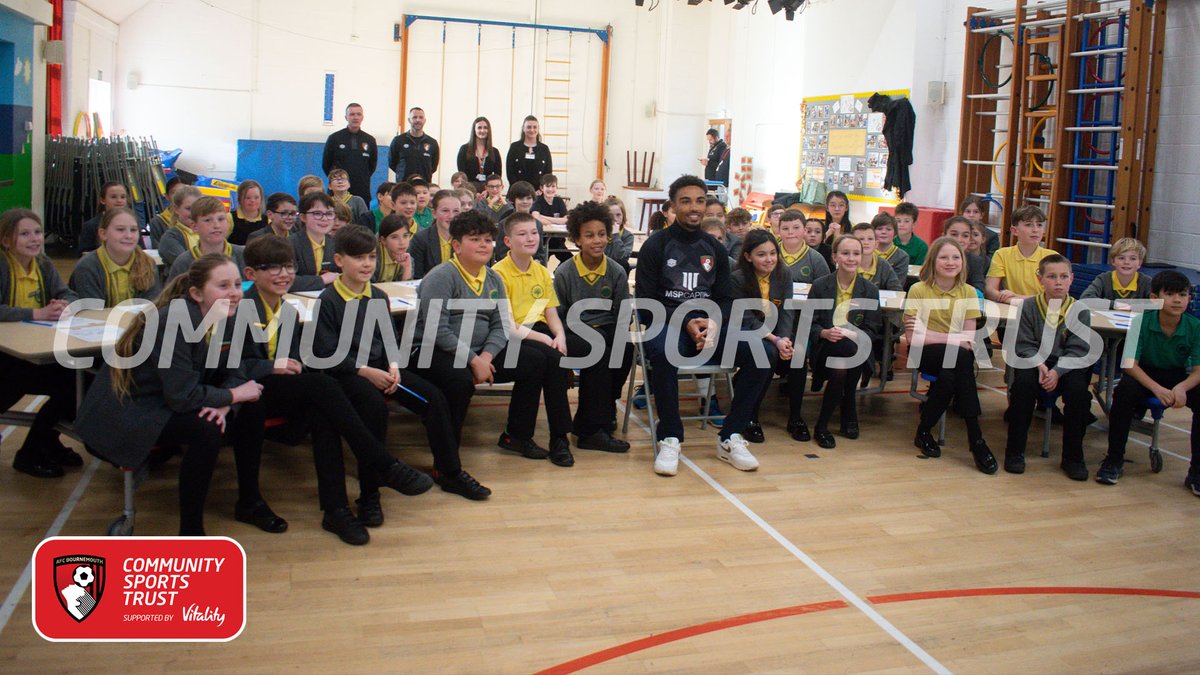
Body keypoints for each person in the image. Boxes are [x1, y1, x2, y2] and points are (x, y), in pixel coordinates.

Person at [237, 235, 435, 544]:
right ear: (250, 275)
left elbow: (300, 358)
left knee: (327, 410)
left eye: (288, 266)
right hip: (249, 392)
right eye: (272, 268)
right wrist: (270, 366)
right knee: (324, 385)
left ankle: (336, 510)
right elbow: (227, 367)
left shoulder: (288, 309)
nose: (283, 274)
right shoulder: (240, 309)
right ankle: (383, 464)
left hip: (284, 389)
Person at [74, 254, 281, 536]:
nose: (233, 292)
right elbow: (182, 397)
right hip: (134, 412)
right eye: (222, 285)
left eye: (236, 283)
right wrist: (231, 395)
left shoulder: (229, 314)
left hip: (170, 399)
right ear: (196, 293)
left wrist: (227, 401)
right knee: (205, 430)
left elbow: (238, 367)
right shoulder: (173, 321)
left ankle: (250, 501)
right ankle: (191, 532)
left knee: (253, 406)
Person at [313, 226, 490, 527]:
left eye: (371, 257)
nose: (367, 264)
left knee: (433, 399)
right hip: (351, 375)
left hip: (385, 371)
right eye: (358, 258)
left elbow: (391, 341)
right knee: (373, 409)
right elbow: (325, 353)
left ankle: (449, 471)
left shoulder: (378, 296)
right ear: (339, 261)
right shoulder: (328, 300)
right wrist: (365, 371)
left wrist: (394, 365)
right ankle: (370, 495)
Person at [634, 174, 773, 476]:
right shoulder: (655, 246)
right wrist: (686, 322)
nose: (694, 207)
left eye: (699, 200)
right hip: (669, 327)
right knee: (662, 352)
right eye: (685, 201)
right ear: (672, 206)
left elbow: (725, 299)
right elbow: (645, 304)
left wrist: (711, 322)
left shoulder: (714, 248)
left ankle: (730, 436)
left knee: (762, 353)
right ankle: (670, 436)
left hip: (710, 327)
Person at [411, 210, 572, 465]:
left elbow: (499, 326)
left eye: (487, 240)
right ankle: (447, 459)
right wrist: (475, 361)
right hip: (436, 351)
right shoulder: (441, 277)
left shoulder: (492, 278)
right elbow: (437, 331)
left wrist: (486, 356)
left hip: (481, 352)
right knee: (459, 380)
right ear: (456, 245)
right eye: (475, 239)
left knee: (537, 361)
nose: (483, 245)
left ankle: (517, 436)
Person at [1097, 271, 1200, 494]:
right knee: (1124, 392)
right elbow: (1129, 365)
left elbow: (1199, 371)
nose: (1177, 300)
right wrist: (1158, 389)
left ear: (1189, 298)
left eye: (1182, 294)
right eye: (1170, 294)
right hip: (1145, 373)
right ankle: (1114, 460)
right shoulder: (1140, 322)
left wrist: (1182, 387)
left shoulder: (1195, 326)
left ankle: (1196, 472)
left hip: (1176, 374)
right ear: (1154, 298)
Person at [905, 237, 997, 474]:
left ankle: (925, 431)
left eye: (956, 257)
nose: (950, 262)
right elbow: (914, 339)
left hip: (955, 356)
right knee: (960, 360)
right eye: (944, 257)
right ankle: (976, 440)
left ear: (962, 262)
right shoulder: (918, 289)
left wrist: (929, 332)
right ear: (933, 261)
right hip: (925, 353)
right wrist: (949, 337)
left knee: (951, 373)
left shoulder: (968, 292)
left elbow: (968, 339)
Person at [0, 209, 80, 478]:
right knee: (21, 380)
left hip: (34, 351)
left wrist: (63, 303)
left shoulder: (43, 264)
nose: (34, 239)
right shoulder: (2, 266)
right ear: (6, 240)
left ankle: (43, 444)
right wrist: (35, 313)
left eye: (37, 232)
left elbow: (66, 291)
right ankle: (31, 454)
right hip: (7, 355)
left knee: (77, 382)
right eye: (24, 234)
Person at [492, 212, 576, 466]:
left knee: (553, 359)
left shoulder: (541, 271)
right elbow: (507, 325)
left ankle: (533, 436)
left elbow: (551, 312)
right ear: (507, 241)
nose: (530, 238)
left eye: (534, 233)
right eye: (522, 233)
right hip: (511, 336)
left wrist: (559, 336)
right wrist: (545, 339)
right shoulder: (498, 274)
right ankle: (558, 437)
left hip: (537, 332)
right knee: (549, 360)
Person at [1003, 254, 1094, 479]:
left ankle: (1073, 458)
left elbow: (1078, 350)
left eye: (1064, 277)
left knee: (1079, 394)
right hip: (1035, 362)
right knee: (1022, 387)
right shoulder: (1028, 307)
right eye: (1052, 277)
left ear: (1072, 279)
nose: (1058, 282)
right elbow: (1023, 344)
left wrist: (1056, 371)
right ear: (1040, 279)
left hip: (1066, 365)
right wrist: (1041, 366)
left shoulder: (1080, 310)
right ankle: (1014, 452)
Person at [554, 201, 633, 452]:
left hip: (608, 329)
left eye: (601, 234)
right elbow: (558, 314)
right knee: (599, 351)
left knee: (625, 350)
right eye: (589, 235)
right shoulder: (565, 272)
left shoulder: (616, 271)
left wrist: (617, 336)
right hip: (575, 332)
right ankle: (591, 430)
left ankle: (604, 409)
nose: (597, 240)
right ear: (577, 239)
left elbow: (623, 313)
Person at [806, 235, 881, 448]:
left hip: (855, 349)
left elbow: (872, 331)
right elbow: (809, 324)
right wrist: (824, 333)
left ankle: (822, 425)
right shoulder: (821, 285)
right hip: (825, 349)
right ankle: (848, 409)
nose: (851, 258)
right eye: (845, 253)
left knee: (844, 358)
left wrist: (852, 334)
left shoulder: (870, 290)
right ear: (834, 256)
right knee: (843, 353)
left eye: (856, 253)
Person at [729, 229, 794, 444]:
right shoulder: (737, 279)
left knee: (795, 354)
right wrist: (775, 339)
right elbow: (746, 318)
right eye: (762, 254)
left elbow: (786, 311)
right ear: (748, 256)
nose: (769, 259)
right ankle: (750, 416)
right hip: (744, 332)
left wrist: (784, 338)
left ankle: (795, 417)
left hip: (774, 334)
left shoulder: (784, 275)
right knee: (766, 354)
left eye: (773, 253)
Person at [70, 207, 161, 306]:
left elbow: (151, 307)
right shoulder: (88, 266)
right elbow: (92, 312)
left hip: (138, 320)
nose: (129, 236)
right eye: (120, 230)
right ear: (103, 234)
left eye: (134, 230)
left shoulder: (148, 263)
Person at [986, 204, 1054, 304]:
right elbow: (989, 290)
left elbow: (1053, 296)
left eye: (1039, 225)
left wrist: (1016, 298)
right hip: (1012, 310)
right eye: (1028, 225)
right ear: (1014, 231)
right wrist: (1013, 301)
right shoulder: (1002, 254)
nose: (1035, 230)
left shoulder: (1052, 257)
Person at [168, 197, 247, 280]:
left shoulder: (243, 256)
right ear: (194, 227)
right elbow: (174, 292)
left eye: (221, 219)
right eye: (207, 220)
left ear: (228, 223)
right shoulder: (183, 263)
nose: (216, 225)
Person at [321, 102, 377, 203]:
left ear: (362, 117)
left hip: (362, 190)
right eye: (352, 114)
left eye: (358, 114)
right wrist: (338, 180)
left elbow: (372, 166)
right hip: (338, 191)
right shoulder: (334, 138)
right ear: (346, 117)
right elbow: (326, 165)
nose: (355, 117)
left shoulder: (370, 140)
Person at [290, 191, 340, 291]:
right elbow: (287, 281)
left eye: (329, 214)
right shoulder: (289, 244)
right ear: (303, 217)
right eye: (317, 214)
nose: (324, 218)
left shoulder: (336, 244)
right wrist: (321, 280)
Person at [1080, 237, 1151, 305]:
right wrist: (1116, 305)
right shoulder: (1104, 279)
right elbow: (1085, 299)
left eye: (1133, 258)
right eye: (1121, 258)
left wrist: (1132, 307)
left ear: (1140, 263)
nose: (1126, 262)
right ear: (1113, 261)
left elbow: (1157, 303)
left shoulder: (1146, 282)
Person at [410, 189, 460, 278]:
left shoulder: (465, 239)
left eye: (456, 211)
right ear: (434, 213)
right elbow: (417, 276)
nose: (451, 216)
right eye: (445, 210)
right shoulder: (421, 239)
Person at [156, 185, 203, 269]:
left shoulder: (206, 232)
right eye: (188, 208)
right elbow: (189, 267)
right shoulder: (170, 238)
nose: (193, 213)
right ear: (176, 209)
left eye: (197, 208)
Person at [388, 106, 439, 182]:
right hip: (403, 186)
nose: (418, 120)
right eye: (414, 117)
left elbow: (433, 167)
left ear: (425, 120)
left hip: (424, 186)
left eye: (421, 117)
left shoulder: (432, 143)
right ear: (409, 120)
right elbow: (392, 163)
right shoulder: (398, 140)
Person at [77, 181, 130, 253]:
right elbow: (85, 255)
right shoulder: (90, 226)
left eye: (123, 197)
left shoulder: (133, 224)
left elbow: (141, 250)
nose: (119, 200)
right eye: (113, 197)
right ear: (102, 200)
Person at [494, 181, 539, 263]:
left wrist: (536, 261)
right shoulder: (504, 224)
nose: (525, 201)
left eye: (528, 198)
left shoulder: (537, 224)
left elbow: (540, 253)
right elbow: (500, 253)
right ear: (513, 200)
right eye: (521, 198)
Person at [506, 115, 553, 189]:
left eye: (535, 127)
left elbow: (548, 173)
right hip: (517, 192)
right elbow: (510, 172)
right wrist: (518, 189)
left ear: (538, 129)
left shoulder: (544, 149)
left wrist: (541, 190)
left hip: (538, 193)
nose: (532, 130)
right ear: (523, 128)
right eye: (529, 127)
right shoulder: (514, 147)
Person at [852, 223, 902, 291]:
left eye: (870, 239)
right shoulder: (847, 264)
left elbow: (897, 290)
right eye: (861, 239)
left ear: (876, 244)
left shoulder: (884, 265)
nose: (866, 242)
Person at [456, 117, 503, 189]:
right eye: (479, 128)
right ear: (474, 130)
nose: (482, 130)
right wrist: (474, 192)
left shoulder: (494, 152)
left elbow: (497, 176)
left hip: (489, 190)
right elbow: (462, 174)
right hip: (469, 190)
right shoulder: (464, 149)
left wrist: (487, 191)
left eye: (485, 128)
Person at [942, 216, 987, 291]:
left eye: (965, 236)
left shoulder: (975, 261)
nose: (959, 240)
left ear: (970, 239)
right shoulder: (934, 256)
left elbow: (979, 289)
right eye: (954, 234)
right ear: (944, 235)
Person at [532, 174, 569, 263]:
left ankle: (558, 274)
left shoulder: (559, 201)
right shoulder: (538, 200)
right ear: (541, 188)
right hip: (543, 241)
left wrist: (544, 217)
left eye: (553, 186)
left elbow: (566, 220)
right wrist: (557, 221)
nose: (550, 189)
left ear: (557, 188)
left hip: (558, 241)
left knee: (570, 261)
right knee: (541, 263)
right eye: (547, 186)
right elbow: (536, 217)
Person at [374, 213, 413, 283]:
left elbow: (406, 289)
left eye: (405, 236)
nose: (402, 242)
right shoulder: (373, 256)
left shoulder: (407, 256)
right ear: (383, 240)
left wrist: (407, 268)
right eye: (394, 237)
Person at [872, 212, 910, 285]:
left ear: (895, 233)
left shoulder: (902, 257)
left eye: (888, 229)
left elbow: (898, 284)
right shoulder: (866, 253)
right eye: (879, 229)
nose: (883, 232)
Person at [603, 195, 634, 272]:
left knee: (624, 264)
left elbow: (622, 258)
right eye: (610, 215)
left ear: (623, 216)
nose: (615, 219)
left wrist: (615, 236)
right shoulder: (600, 234)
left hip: (618, 271)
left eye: (618, 215)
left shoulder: (628, 236)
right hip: (600, 269)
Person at [228, 180, 265, 245]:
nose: (252, 200)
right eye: (247, 198)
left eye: (256, 197)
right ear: (240, 199)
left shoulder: (268, 220)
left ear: (261, 199)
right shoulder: (229, 218)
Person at [893, 201, 928, 266]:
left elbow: (919, 270)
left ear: (914, 224)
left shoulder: (922, 247)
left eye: (906, 221)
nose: (901, 224)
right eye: (898, 221)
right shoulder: (889, 242)